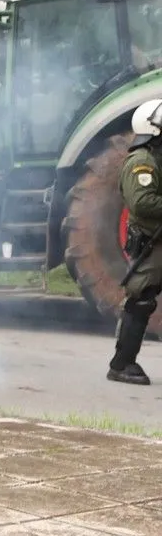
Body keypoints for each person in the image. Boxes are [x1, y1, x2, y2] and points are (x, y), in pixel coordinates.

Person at [108, 100, 162, 385]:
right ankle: (121, 363)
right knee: (141, 300)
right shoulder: (142, 161)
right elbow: (142, 203)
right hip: (152, 243)